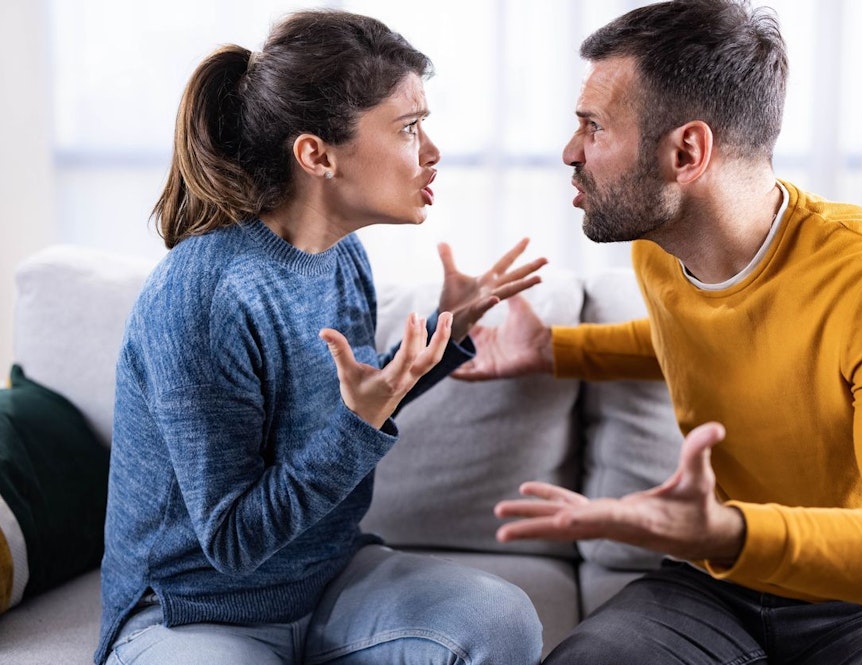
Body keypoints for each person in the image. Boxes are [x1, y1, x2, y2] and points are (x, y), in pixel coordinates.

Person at [455, 1, 862, 663]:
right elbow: (704, 338)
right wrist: (553, 350)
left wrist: (729, 530)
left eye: (593, 127)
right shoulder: (659, 249)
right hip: (719, 586)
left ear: (687, 151)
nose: (571, 151)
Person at [96, 10, 547, 665]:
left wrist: (448, 329)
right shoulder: (206, 296)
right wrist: (360, 424)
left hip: (328, 577)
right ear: (316, 155)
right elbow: (232, 541)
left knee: (501, 623)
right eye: (409, 127)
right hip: (194, 609)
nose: (432, 151)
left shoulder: (342, 255)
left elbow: (351, 404)